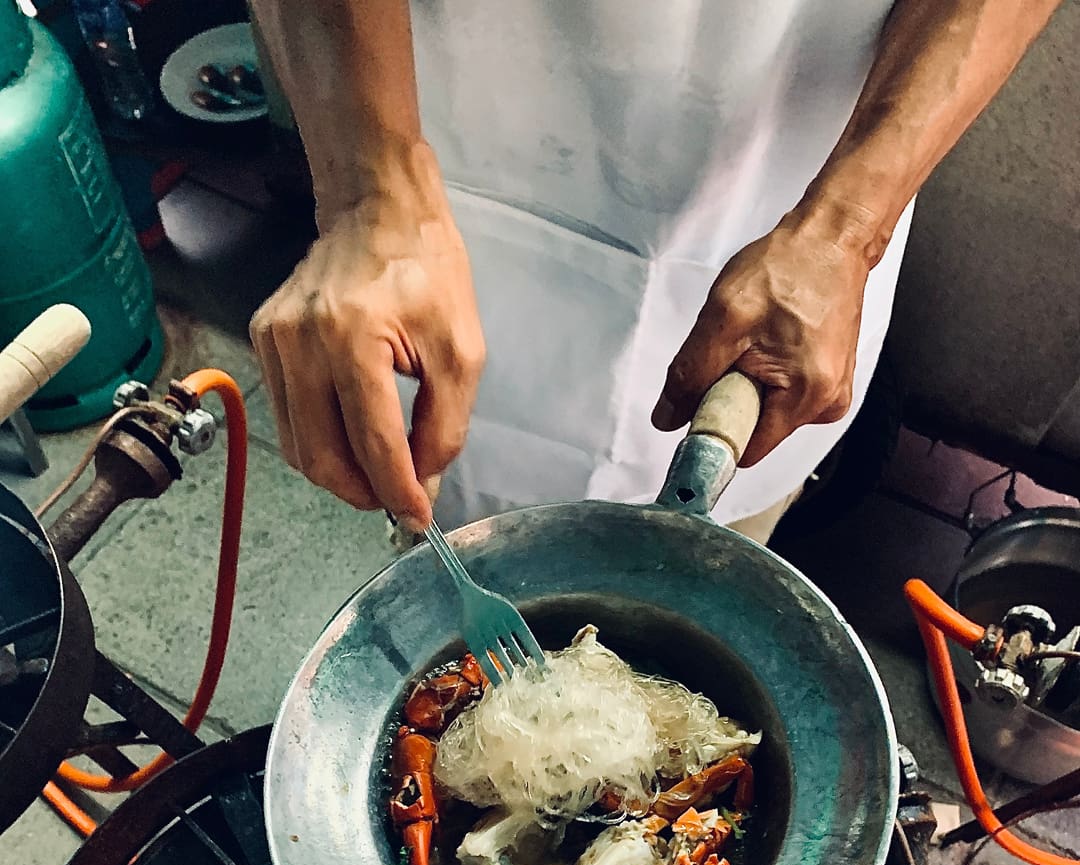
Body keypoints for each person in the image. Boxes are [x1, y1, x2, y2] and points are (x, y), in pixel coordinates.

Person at [248, 0, 1060, 544]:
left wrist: (846, 232)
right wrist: (364, 190)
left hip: (793, 182)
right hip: (453, 153)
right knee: (444, 553)